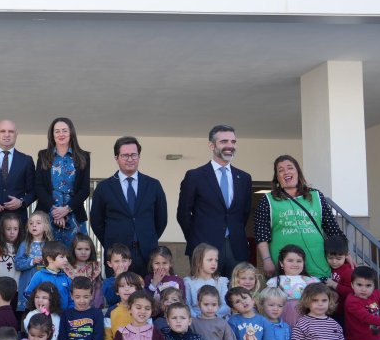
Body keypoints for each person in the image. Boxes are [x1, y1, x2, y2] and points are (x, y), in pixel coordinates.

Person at [176, 125, 253, 276]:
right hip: (203, 248)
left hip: (236, 248)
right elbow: (183, 214)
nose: (230, 146)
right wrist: (196, 239)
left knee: (238, 295)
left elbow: (244, 212)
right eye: (224, 141)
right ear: (211, 145)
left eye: (233, 141)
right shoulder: (195, 176)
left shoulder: (244, 178)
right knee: (206, 295)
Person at [253, 155, 345, 279]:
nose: (286, 172)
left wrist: (345, 252)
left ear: (298, 172)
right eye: (280, 170)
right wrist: (267, 260)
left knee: (318, 297)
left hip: (317, 264)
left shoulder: (316, 196)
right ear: (277, 177)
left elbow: (332, 228)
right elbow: (261, 235)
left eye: (290, 168)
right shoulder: (268, 200)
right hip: (285, 267)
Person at [89, 136, 168, 275]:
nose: (130, 159)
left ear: (139, 156)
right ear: (116, 157)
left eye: (134, 155)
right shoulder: (104, 187)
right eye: (125, 155)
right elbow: (96, 221)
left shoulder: (153, 185)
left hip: (148, 254)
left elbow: (161, 220)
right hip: (118, 255)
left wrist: (147, 238)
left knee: (147, 294)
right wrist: (111, 242)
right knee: (118, 294)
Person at [34, 117, 91, 247]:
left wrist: (66, 209)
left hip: (74, 213)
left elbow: (85, 189)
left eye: (64, 130)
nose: (61, 134)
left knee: (76, 254)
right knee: (47, 255)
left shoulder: (83, 156)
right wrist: (55, 210)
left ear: (71, 133)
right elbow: (38, 186)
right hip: (48, 214)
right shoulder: (43, 155)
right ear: (52, 135)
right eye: (57, 131)